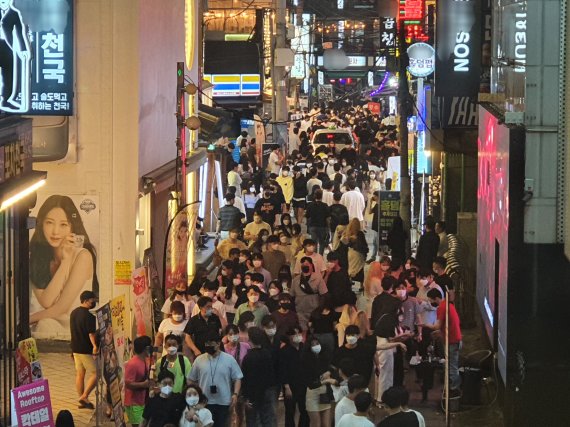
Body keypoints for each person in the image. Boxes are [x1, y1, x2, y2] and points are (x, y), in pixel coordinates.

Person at [30, 195, 98, 337]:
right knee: (44, 325)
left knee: (44, 324)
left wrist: (26, 320)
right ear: (41, 224)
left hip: (73, 333)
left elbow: (61, 308)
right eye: (49, 223)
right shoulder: (38, 256)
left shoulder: (83, 256)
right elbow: (46, 301)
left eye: (63, 224)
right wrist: (64, 263)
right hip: (48, 331)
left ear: (72, 226)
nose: (55, 231)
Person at [188, 332, 243, 427]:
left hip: (224, 401)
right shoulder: (199, 360)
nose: (208, 346)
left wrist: (235, 394)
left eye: (210, 343)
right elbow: (190, 379)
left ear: (218, 343)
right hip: (205, 402)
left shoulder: (229, 359)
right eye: (206, 344)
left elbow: (237, 378)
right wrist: (195, 395)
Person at [424, 288, 462, 396]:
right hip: (454, 338)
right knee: (451, 365)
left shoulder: (442, 307)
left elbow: (437, 325)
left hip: (452, 340)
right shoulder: (449, 304)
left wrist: (425, 324)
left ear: (436, 299)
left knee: (452, 366)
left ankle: (454, 390)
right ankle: (451, 387)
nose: (430, 303)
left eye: (430, 300)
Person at [241, 327, 278, 427]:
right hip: (267, 391)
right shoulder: (267, 353)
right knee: (267, 419)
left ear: (250, 339)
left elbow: (247, 379)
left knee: (253, 420)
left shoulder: (248, 358)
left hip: (253, 393)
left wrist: (246, 397)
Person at [69, 290, 98, 409]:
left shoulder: (73, 313)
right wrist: (95, 346)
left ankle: (82, 399)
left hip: (75, 348)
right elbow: (91, 334)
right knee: (96, 373)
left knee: (80, 374)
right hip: (85, 349)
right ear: (86, 301)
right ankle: (84, 396)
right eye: (92, 301)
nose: (94, 303)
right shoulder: (89, 316)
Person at [374, 302, 407, 403]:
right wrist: (405, 335)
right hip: (385, 346)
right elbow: (391, 337)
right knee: (385, 373)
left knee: (379, 373)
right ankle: (383, 398)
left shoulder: (384, 317)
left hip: (380, 345)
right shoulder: (390, 319)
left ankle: (378, 397)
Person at [279, 326, 309, 427]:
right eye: (294, 334)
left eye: (299, 333)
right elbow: (283, 370)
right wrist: (286, 387)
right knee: (290, 411)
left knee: (304, 410)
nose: (297, 336)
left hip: (303, 383)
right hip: (291, 385)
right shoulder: (284, 350)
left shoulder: (304, 347)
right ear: (289, 336)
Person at [300, 336, 334, 427]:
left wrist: (329, 372)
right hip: (312, 394)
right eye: (313, 345)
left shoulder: (325, 357)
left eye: (317, 344)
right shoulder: (305, 361)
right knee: (316, 424)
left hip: (324, 393)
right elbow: (310, 384)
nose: (316, 346)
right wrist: (326, 381)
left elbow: (333, 368)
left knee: (326, 424)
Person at [290, 258, 328, 332]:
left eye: (307, 264)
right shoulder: (296, 280)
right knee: (303, 332)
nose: (305, 266)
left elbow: (324, 295)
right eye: (303, 264)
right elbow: (292, 296)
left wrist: (319, 310)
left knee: (314, 332)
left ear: (311, 265)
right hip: (300, 311)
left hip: (314, 311)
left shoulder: (318, 278)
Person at [125, 336, 153, 427]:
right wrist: (143, 384)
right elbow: (128, 383)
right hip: (134, 403)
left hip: (142, 400)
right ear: (146, 348)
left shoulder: (144, 360)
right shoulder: (133, 363)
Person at [305, 189, 330, 255]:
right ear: (322, 196)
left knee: (314, 243)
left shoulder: (310, 205)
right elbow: (327, 217)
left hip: (313, 226)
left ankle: (314, 257)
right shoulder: (325, 205)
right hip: (322, 226)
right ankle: (320, 257)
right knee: (322, 243)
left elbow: (307, 216)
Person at [344, 218, 368, 285]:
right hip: (359, 254)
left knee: (351, 268)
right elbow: (364, 244)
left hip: (350, 252)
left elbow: (345, 243)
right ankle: (361, 285)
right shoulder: (360, 234)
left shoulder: (348, 233)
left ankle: (349, 281)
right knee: (360, 269)